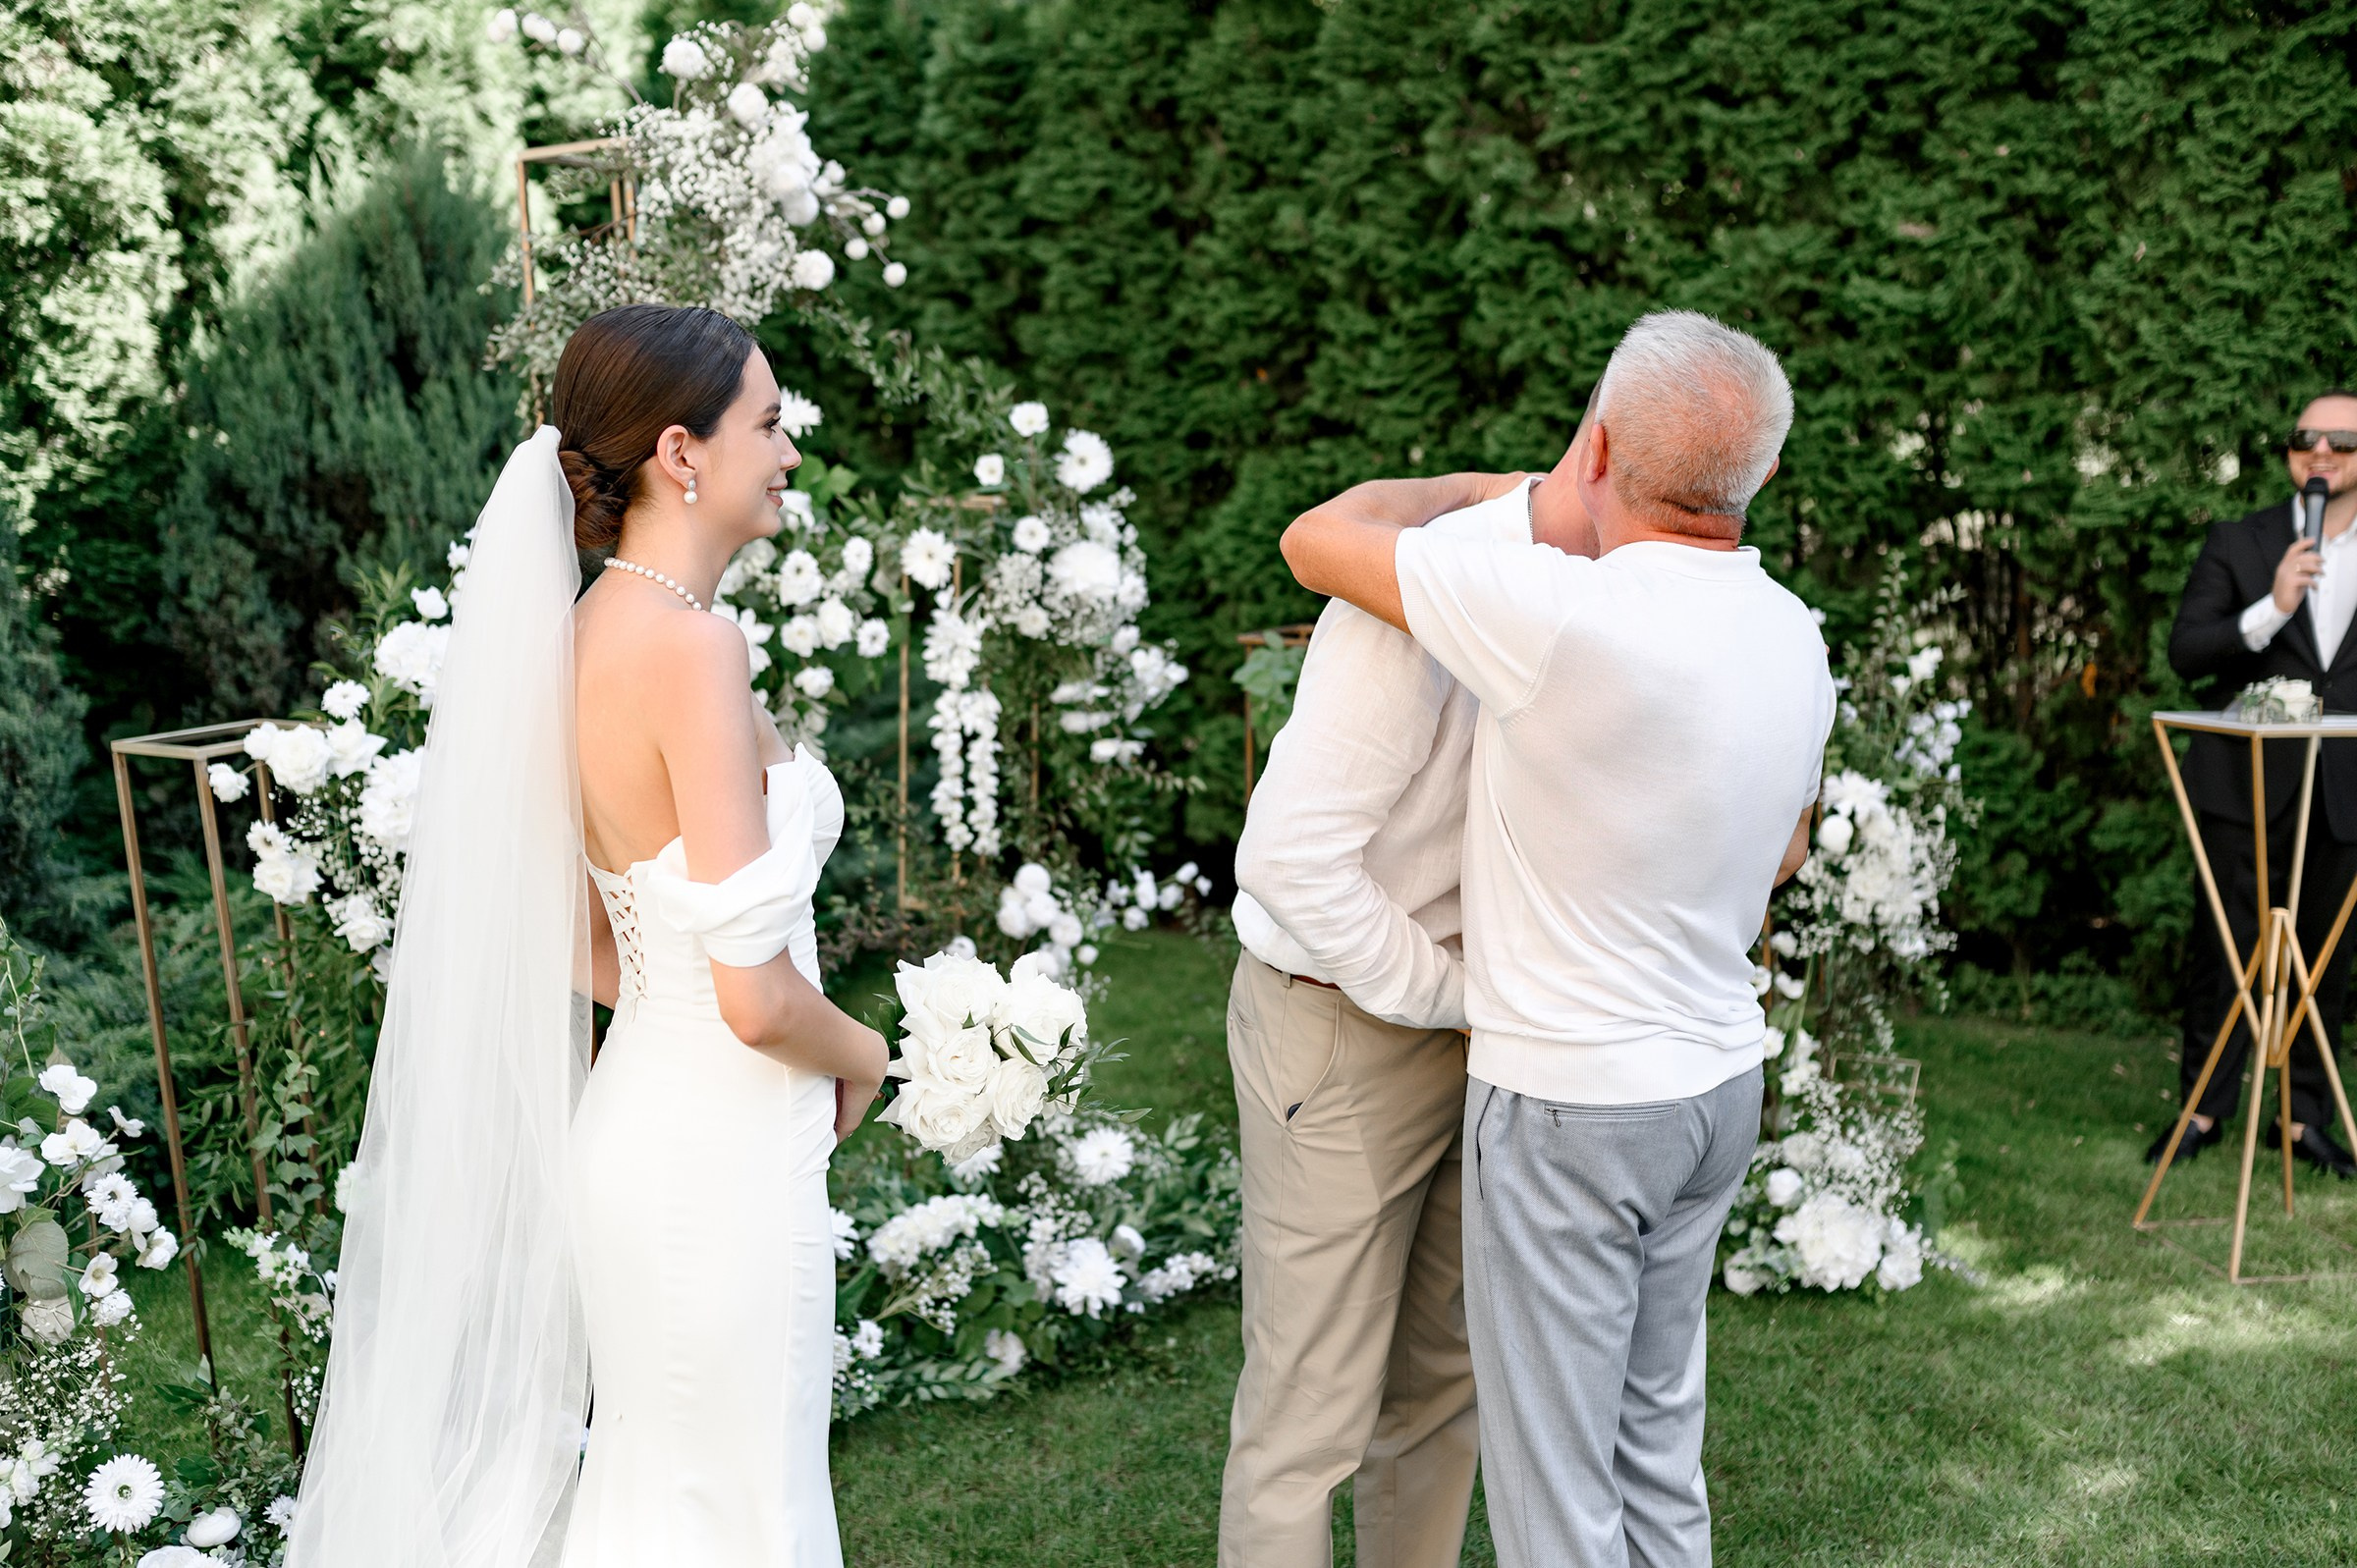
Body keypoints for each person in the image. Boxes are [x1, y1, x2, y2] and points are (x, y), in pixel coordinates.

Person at [290, 303, 888, 1568]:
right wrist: (871, 1051)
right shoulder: (693, 649)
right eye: (770, 424)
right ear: (683, 452)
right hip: (717, 1151)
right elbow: (757, 1000)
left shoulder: (571, 641)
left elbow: (566, 930)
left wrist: (679, 997)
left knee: (658, 1498)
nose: (788, 451)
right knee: (745, 1512)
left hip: (638, 1132)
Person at [1280, 310, 1830, 1568]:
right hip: (1716, 1086)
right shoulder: (1794, 636)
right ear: (1763, 477)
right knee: (1655, 1443)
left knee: (1553, 1492)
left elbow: (1316, 538)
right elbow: (1783, 855)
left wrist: (1484, 489)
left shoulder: (1552, 611)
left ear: (1595, 448)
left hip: (1573, 1102)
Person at [1222, 441, 1595, 1568]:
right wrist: (1459, 996)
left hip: (1484, 1036)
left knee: (1442, 1388)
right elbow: (1288, 861)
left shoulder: (1626, 595)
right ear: (1611, 456)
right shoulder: (1420, 587)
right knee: (1308, 1418)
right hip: (1339, 1022)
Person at [2161, 388, 2357, 1179]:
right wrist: (2269, 609)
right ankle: (2203, 1108)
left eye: (2340, 442)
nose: (2319, 453)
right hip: (2246, 785)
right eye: (2304, 439)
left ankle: (2303, 1118)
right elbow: (2188, 651)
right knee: (2225, 951)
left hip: (2345, 785)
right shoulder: (2242, 542)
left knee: (2324, 960)